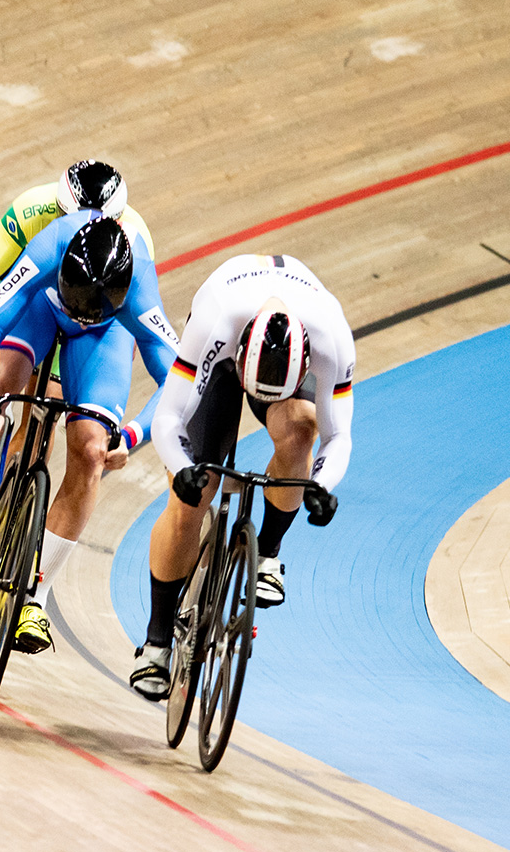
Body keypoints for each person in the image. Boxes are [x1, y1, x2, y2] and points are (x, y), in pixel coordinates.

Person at [0, 213, 179, 655]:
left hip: (104, 334)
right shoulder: (51, 244)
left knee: (91, 452)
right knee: (0, 392)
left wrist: (130, 435)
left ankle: (36, 596)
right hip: (40, 306)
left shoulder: (138, 290)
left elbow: (177, 380)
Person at [130, 253, 355, 700]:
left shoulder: (331, 336)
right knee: (192, 499)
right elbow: (168, 416)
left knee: (300, 432)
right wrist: (184, 470)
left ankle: (268, 553)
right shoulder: (216, 318)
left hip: (285, 367)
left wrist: (322, 487)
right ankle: (156, 642)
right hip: (223, 362)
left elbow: (338, 435)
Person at [0, 160, 151, 483]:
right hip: (25, 292)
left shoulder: (131, 240)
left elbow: (128, 323)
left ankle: (6, 511)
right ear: (58, 209)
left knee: (44, 417)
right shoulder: (32, 210)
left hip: (82, 318)